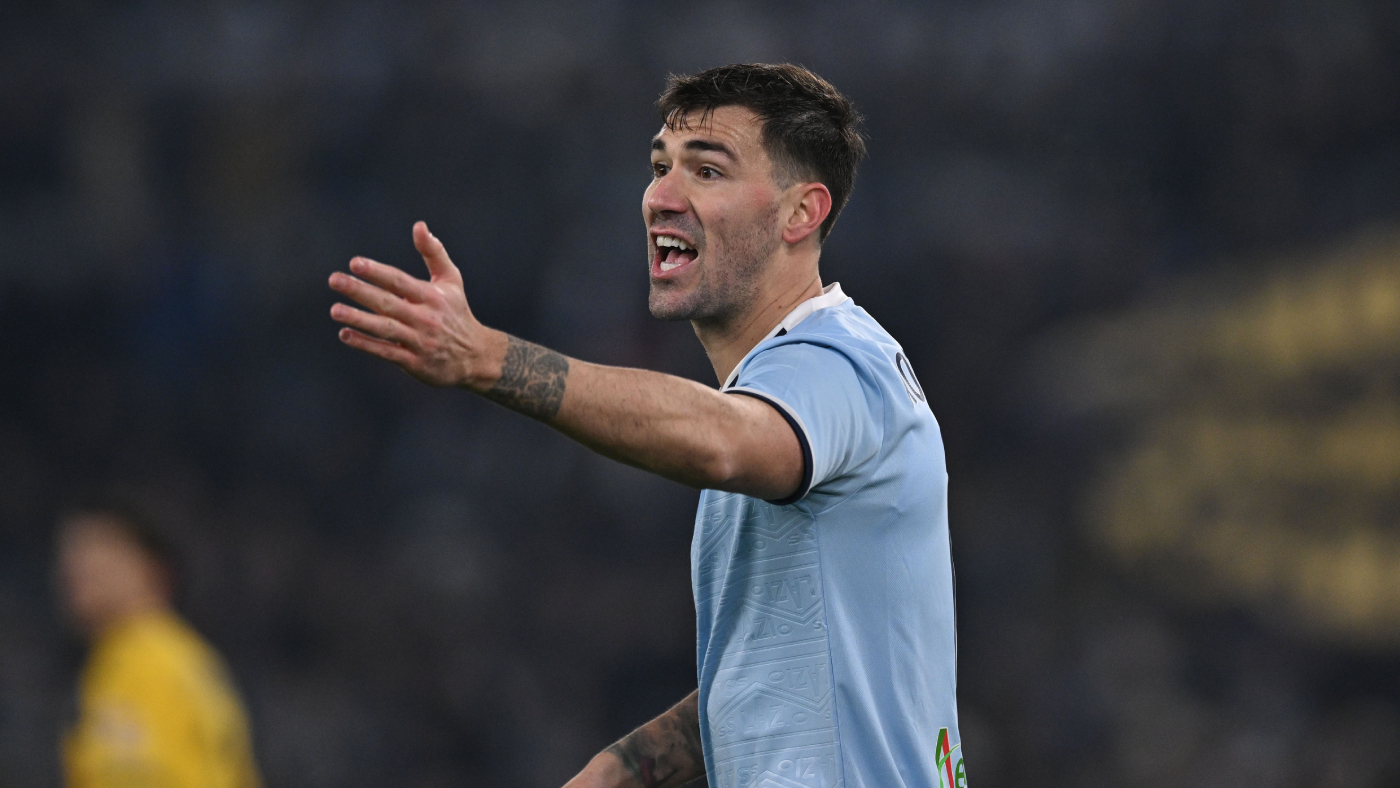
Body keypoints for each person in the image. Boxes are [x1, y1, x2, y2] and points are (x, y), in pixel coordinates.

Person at [329, 63, 966, 788]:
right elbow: (774, 679)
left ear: (800, 213)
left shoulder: (839, 363)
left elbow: (719, 442)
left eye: (708, 171)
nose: (661, 197)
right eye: (661, 167)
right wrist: (614, 774)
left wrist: (487, 357)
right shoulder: (794, 389)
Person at [56, 498, 263, 788]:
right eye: (72, 553)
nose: (77, 566)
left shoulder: (146, 662)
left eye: (99, 550)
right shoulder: (175, 655)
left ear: (155, 569)